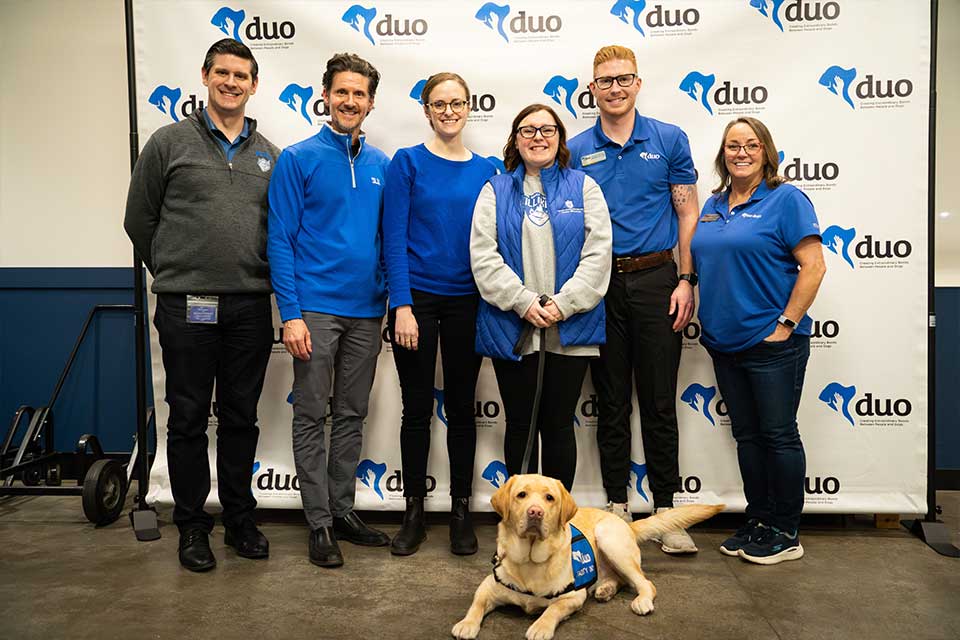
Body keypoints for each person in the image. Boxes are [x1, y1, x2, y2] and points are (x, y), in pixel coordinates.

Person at [123, 39, 277, 572]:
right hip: (186, 304)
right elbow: (138, 220)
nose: (232, 83)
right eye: (223, 73)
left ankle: (239, 519)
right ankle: (193, 526)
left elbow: (277, 233)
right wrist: (171, 270)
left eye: (242, 76)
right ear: (206, 77)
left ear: (254, 85)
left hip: (250, 307)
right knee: (187, 416)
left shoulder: (269, 155)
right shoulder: (168, 143)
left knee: (241, 417)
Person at [567, 45, 700, 553]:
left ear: (638, 83)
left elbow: (687, 214)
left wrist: (686, 278)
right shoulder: (576, 149)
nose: (616, 88)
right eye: (606, 81)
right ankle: (618, 507)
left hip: (658, 281)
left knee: (661, 401)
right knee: (612, 401)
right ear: (593, 88)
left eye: (624, 79)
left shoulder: (669, 139)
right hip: (599, 288)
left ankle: (668, 511)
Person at [267, 53, 390, 569]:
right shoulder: (298, 158)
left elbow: (390, 238)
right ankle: (318, 522)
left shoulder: (384, 164)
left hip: (367, 312)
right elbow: (279, 239)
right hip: (314, 309)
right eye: (342, 92)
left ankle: (343, 511)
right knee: (310, 413)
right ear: (325, 95)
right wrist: (290, 313)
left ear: (371, 102)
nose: (350, 101)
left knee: (351, 414)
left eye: (359, 94)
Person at [691, 117, 825, 565]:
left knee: (779, 436)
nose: (741, 152)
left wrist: (785, 324)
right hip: (723, 343)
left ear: (766, 151)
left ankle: (786, 531)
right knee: (748, 437)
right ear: (723, 153)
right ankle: (761, 519)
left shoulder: (786, 199)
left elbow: (814, 266)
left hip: (772, 344)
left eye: (751, 144)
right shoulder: (713, 204)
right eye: (732, 145)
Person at [382, 73, 497, 556]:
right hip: (418, 302)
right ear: (426, 110)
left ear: (469, 107)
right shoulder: (407, 163)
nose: (449, 111)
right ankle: (413, 512)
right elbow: (393, 237)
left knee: (463, 408)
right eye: (439, 104)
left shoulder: (490, 168)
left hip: (469, 301)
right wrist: (402, 305)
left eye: (457, 103)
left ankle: (460, 511)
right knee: (415, 408)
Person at [471, 104, 612, 491]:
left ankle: (555, 525)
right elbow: (483, 255)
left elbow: (599, 254)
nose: (538, 137)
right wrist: (523, 301)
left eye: (547, 130)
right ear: (516, 139)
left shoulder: (585, 187)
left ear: (560, 138)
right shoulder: (495, 190)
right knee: (520, 422)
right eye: (528, 130)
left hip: (570, 326)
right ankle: (520, 521)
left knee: (558, 425)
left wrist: (563, 304)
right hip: (513, 325)